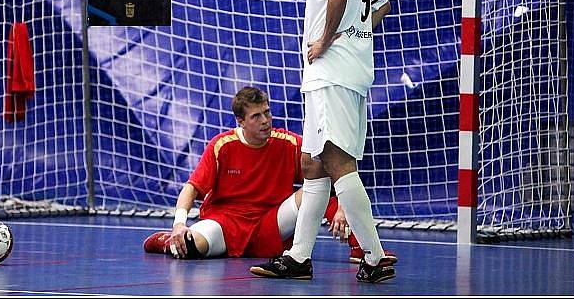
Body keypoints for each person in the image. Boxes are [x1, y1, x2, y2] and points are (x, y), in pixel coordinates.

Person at [249, 0, 394, 283]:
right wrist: (354, 35)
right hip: (342, 72)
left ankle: (375, 256)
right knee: (312, 163)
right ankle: (298, 257)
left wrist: (328, 41)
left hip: (331, 72)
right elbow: (381, 5)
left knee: (335, 160)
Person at [143, 86, 397, 263]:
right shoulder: (222, 145)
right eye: (256, 116)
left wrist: (342, 206)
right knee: (189, 248)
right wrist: (178, 224)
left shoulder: (288, 143)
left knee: (316, 193)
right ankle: (166, 241)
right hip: (226, 223)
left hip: (270, 225)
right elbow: (191, 188)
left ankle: (362, 249)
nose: (266, 120)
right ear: (241, 122)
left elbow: (332, 169)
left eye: (267, 112)